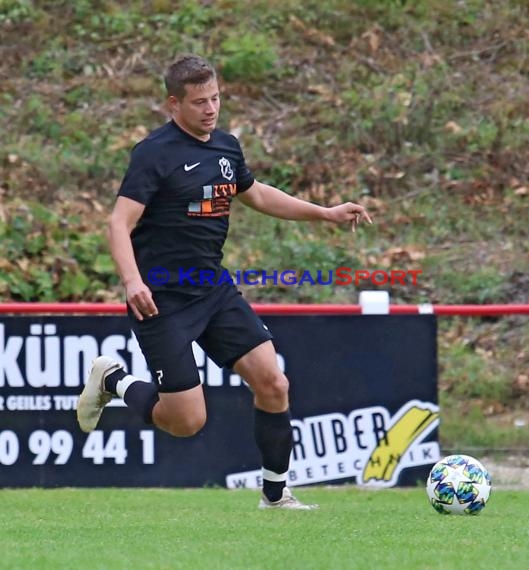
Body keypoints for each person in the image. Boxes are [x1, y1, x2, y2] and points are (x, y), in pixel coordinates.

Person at [77, 54, 372, 509]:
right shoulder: (154, 153)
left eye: (215, 98)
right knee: (186, 421)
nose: (210, 109)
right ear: (173, 104)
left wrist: (325, 213)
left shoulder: (226, 148)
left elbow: (256, 195)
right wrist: (133, 281)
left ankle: (275, 496)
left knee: (274, 383)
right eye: (199, 102)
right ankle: (114, 380)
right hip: (161, 299)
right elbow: (119, 223)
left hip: (212, 289)